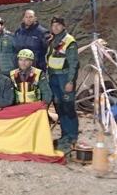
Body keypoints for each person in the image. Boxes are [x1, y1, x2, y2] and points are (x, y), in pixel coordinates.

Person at [46, 16, 79, 151]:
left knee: (68, 107)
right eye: (53, 25)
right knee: (59, 107)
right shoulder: (53, 40)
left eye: (58, 25)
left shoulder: (69, 41)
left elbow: (73, 63)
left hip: (65, 77)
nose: (56, 27)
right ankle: (65, 134)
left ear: (63, 26)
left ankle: (72, 136)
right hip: (53, 77)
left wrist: (70, 81)